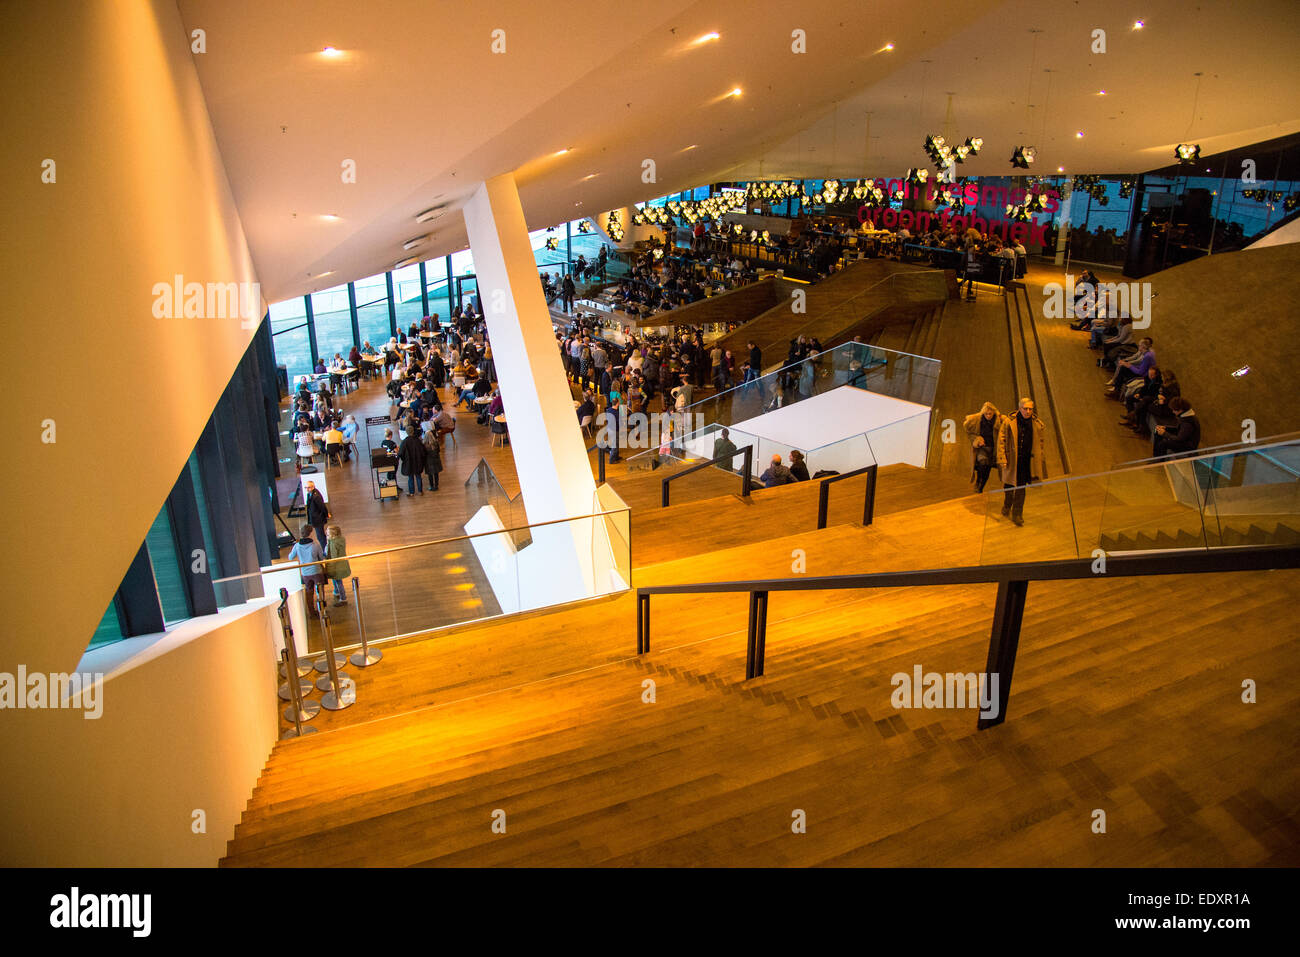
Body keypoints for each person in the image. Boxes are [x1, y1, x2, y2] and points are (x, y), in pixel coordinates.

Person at [996, 397, 1048, 527]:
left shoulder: (1036, 424)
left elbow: (1040, 443)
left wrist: (1039, 458)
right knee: (1008, 486)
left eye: (1030, 409)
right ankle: (1007, 505)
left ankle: (1017, 514)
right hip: (1011, 461)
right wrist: (1002, 458)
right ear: (1020, 408)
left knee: (1021, 488)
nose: (1028, 411)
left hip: (1025, 462)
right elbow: (1001, 440)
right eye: (1025, 408)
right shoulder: (1009, 422)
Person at [963, 401, 1002, 493]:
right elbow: (969, 432)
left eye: (990, 414)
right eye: (986, 414)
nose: (988, 416)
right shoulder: (977, 420)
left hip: (993, 449)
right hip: (982, 448)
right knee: (983, 464)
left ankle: (981, 486)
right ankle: (978, 482)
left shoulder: (998, 421)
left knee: (987, 469)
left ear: (993, 413)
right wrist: (977, 439)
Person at [287, 524, 327, 611]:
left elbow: (290, 557)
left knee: (309, 592)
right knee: (320, 590)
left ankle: (311, 611)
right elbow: (321, 558)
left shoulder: (297, 546)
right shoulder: (316, 545)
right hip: (316, 571)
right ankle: (322, 608)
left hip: (305, 573)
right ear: (311, 533)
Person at [323, 525, 351, 606]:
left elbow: (333, 556)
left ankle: (343, 598)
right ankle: (336, 591)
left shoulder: (333, 543)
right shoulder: (341, 539)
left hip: (336, 566)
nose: (326, 535)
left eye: (328, 534)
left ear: (332, 534)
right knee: (337, 580)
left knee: (338, 582)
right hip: (342, 563)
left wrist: (329, 565)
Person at [398, 424, 427, 494]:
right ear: (413, 431)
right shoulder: (418, 441)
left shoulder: (404, 442)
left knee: (410, 478)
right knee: (418, 476)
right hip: (418, 462)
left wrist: (404, 459)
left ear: (407, 432)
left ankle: (411, 492)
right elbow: (423, 451)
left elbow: (400, 453)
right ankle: (420, 491)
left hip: (409, 463)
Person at [305, 480, 330, 548]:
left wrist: (326, 514)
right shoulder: (310, 494)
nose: (307, 489)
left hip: (318, 519)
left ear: (313, 487)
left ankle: (325, 550)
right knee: (320, 535)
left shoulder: (316, 496)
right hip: (314, 518)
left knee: (320, 536)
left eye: (309, 487)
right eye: (306, 487)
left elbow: (322, 506)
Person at [421, 425, 443, 491]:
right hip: (436, 460)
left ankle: (431, 486)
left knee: (430, 474)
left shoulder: (424, 445)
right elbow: (439, 450)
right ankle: (436, 485)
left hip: (428, 461)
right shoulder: (436, 443)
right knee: (436, 473)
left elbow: (423, 454)